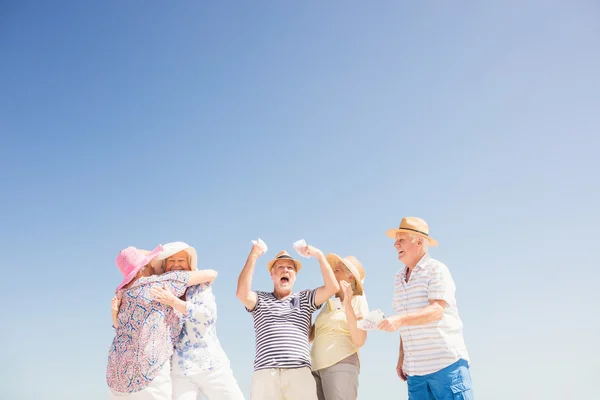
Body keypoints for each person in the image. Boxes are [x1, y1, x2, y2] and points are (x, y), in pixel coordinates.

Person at [378, 217, 474, 400]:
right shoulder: (398, 278)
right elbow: (403, 320)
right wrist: (401, 356)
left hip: (447, 367)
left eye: (401, 240)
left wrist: (400, 320)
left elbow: (436, 311)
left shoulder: (437, 269)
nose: (395, 245)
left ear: (419, 241)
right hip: (416, 372)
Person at [107, 245, 217, 400]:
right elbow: (211, 274)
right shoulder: (160, 282)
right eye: (149, 262)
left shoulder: (122, 295)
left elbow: (120, 328)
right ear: (143, 268)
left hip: (116, 375)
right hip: (148, 372)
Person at [236, 243, 339, 400]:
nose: (285, 270)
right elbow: (242, 293)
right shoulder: (260, 299)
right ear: (272, 274)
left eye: (290, 268)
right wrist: (254, 255)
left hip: (299, 371)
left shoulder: (304, 298)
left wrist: (319, 255)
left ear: (295, 276)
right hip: (265, 373)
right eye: (281, 267)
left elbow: (332, 287)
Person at [149, 242, 245, 400]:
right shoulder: (159, 290)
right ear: (164, 266)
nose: (176, 265)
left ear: (189, 264)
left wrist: (174, 302)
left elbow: (208, 316)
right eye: (171, 261)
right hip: (179, 371)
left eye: (181, 261)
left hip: (212, 365)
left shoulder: (201, 285)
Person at [309, 254, 369, 400]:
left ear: (350, 278)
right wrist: (307, 308)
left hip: (340, 365)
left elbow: (360, 340)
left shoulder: (358, 301)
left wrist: (347, 305)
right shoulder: (328, 304)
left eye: (336, 270)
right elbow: (310, 336)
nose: (332, 274)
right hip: (316, 368)